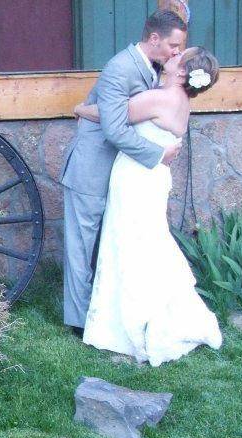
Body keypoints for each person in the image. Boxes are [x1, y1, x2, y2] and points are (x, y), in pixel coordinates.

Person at [73, 46, 223, 366]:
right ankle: (146, 316)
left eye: (178, 56)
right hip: (152, 178)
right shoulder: (179, 101)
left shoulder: (162, 98)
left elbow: (111, 114)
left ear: (182, 72)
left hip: (137, 179)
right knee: (147, 243)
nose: (172, 55)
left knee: (130, 245)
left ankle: (132, 325)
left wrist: (81, 108)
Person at [60, 10, 187, 336]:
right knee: (81, 246)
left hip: (120, 173)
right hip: (92, 168)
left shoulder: (153, 70)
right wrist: (158, 154)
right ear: (154, 38)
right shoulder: (121, 67)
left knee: (111, 243)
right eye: (173, 45)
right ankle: (78, 320)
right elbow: (115, 129)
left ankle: (105, 312)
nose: (177, 52)